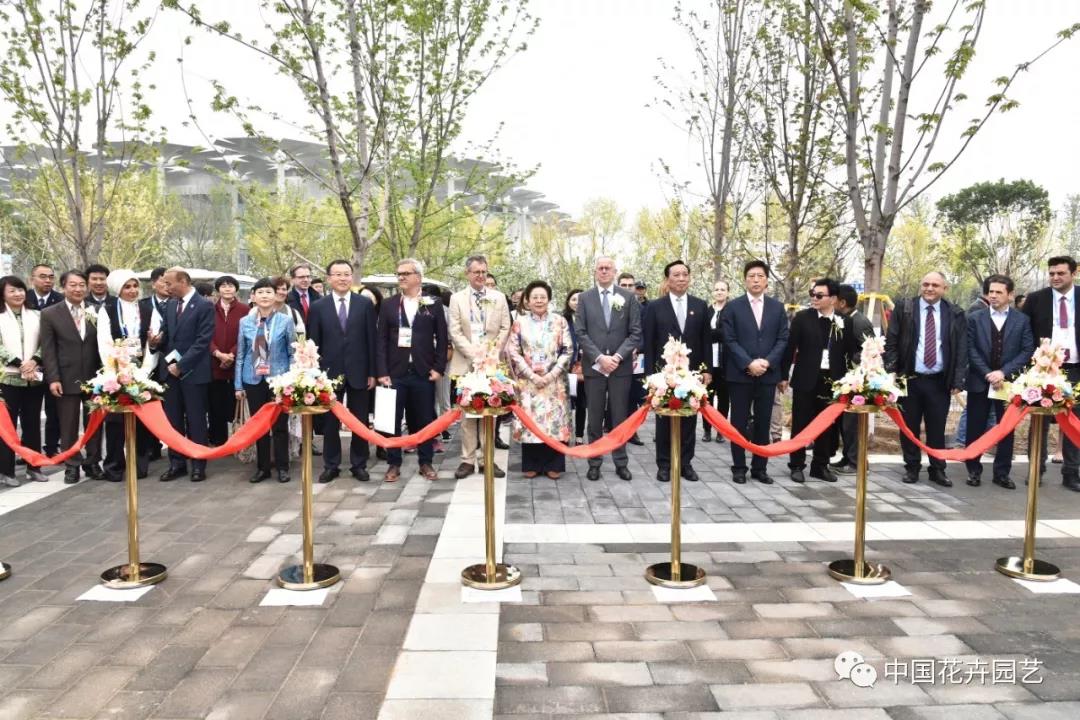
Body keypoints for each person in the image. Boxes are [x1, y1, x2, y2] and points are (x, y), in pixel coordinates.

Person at [884, 271, 967, 486]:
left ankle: (938, 469)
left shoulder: (955, 313)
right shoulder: (905, 308)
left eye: (935, 285)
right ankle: (912, 467)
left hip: (939, 381)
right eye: (925, 284)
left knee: (937, 429)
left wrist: (958, 380)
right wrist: (891, 371)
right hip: (909, 379)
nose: (929, 289)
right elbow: (891, 341)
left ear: (944, 289)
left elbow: (961, 350)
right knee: (909, 427)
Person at [376, 258, 448, 482]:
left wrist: (438, 368)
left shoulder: (432, 303)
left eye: (406, 273)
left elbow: (443, 337)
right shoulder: (389, 304)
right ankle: (393, 463)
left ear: (418, 277)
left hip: (423, 372)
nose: (402, 277)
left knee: (424, 419)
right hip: (394, 373)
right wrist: (381, 371)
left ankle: (425, 462)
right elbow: (381, 341)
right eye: (399, 274)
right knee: (391, 420)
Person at [643, 260, 713, 483]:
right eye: (676, 275)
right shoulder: (655, 307)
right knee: (664, 418)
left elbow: (706, 341)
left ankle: (685, 463)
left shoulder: (701, 305)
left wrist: (707, 370)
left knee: (690, 417)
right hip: (665, 373)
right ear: (667, 279)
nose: (681, 278)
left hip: (691, 373)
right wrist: (649, 376)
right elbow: (649, 342)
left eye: (685, 274)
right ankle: (664, 464)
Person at [721, 260, 789, 485]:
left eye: (760, 276)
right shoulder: (733, 307)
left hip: (768, 375)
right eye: (751, 276)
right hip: (740, 375)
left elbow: (782, 339)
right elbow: (729, 340)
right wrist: (748, 363)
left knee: (763, 422)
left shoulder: (777, 308)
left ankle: (760, 467)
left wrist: (767, 362)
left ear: (767, 280)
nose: (756, 280)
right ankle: (739, 467)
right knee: (738, 422)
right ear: (745, 280)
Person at [308, 260, 377, 483]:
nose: (343, 278)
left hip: (359, 371)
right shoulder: (318, 307)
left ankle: (359, 464)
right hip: (328, 374)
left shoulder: (364, 304)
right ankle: (331, 464)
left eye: (347, 274)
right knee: (330, 422)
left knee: (359, 419)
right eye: (337, 274)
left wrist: (372, 372)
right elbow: (312, 343)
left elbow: (371, 341)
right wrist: (314, 375)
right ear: (329, 278)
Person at [575, 255, 642, 482]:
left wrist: (617, 356)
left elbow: (635, 333)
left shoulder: (628, 297)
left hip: (619, 368)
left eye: (608, 268)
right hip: (594, 368)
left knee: (619, 417)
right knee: (594, 418)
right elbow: (581, 332)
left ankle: (621, 462)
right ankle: (594, 461)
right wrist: (599, 357)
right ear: (595, 271)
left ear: (615, 272)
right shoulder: (585, 298)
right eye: (600, 268)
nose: (604, 271)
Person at [965, 274, 1034, 489]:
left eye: (998, 292)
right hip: (979, 380)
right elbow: (970, 349)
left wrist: (1003, 372)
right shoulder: (975, 318)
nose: (993, 296)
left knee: (1006, 428)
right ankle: (973, 469)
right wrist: (988, 373)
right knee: (974, 427)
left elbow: (1026, 350)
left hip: (1008, 384)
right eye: (990, 292)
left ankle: (1002, 473)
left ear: (1010, 295)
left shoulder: (1022, 320)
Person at [780, 278, 852, 483]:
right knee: (801, 424)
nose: (814, 298)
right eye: (813, 294)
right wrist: (783, 375)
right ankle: (796, 465)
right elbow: (790, 348)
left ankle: (820, 465)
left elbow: (850, 351)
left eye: (820, 295)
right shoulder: (802, 318)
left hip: (833, 380)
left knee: (827, 426)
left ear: (834, 299)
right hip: (806, 379)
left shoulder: (844, 321)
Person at [448, 255, 511, 479]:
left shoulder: (498, 297)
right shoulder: (457, 299)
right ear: (468, 274)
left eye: (484, 272)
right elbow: (454, 331)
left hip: (492, 364)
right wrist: (474, 354)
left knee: (489, 413)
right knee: (468, 415)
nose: (481, 276)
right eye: (476, 272)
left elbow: (505, 327)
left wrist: (491, 352)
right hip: (466, 364)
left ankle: (487, 460)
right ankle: (467, 460)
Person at [1021, 255, 1080, 491]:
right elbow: (1025, 334)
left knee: (1074, 422)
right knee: (1039, 422)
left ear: (1073, 274)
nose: (1055, 277)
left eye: (1061, 273)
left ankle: (1071, 473)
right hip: (1043, 371)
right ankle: (1036, 470)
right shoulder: (1036, 299)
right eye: (1052, 273)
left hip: (1075, 371)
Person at [39, 270, 103, 484]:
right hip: (66, 377)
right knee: (68, 425)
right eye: (73, 285)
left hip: (95, 378)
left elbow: (103, 345)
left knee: (94, 423)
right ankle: (72, 465)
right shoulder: (50, 314)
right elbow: (48, 350)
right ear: (63, 287)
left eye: (81, 285)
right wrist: (53, 378)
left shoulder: (97, 311)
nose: (78, 289)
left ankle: (93, 462)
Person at [506, 280, 573, 479]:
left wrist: (552, 374)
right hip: (529, 382)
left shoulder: (560, 321)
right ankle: (532, 463)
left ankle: (554, 464)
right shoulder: (520, 323)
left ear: (549, 299)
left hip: (554, 381)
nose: (539, 300)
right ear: (527, 300)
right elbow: (513, 351)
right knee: (532, 421)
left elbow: (568, 350)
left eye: (542, 297)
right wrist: (531, 374)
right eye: (534, 297)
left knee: (554, 421)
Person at [155, 267, 215, 483]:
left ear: (182, 281)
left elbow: (202, 341)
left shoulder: (204, 306)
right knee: (173, 421)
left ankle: (198, 463)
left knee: (196, 420)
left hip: (194, 373)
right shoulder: (171, 305)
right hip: (170, 374)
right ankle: (176, 463)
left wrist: (181, 365)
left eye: (169, 284)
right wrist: (156, 341)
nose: (166, 288)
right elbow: (168, 336)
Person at [235, 278, 297, 483]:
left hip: (278, 381)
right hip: (253, 380)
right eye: (260, 292)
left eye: (268, 292)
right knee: (259, 426)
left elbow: (292, 352)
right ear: (253, 296)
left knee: (280, 425)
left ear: (276, 295)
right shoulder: (245, 322)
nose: (264, 296)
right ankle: (262, 468)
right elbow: (241, 354)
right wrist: (238, 384)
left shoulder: (285, 321)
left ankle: (282, 467)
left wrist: (292, 381)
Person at [95, 269, 152, 481]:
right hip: (117, 369)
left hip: (142, 369)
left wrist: (145, 370)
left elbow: (152, 342)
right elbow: (104, 342)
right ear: (118, 289)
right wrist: (115, 370)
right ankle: (114, 465)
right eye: (127, 287)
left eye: (135, 286)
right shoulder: (107, 310)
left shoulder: (147, 309)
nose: (132, 290)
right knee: (115, 422)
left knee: (142, 421)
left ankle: (139, 465)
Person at [0, 276, 47, 486]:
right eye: (12, 291)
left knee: (32, 425)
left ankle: (34, 467)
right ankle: (6, 472)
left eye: (20, 290)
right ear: (3, 294)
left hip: (33, 380)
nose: (18, 294)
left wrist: (34, 361)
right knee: (7, 428)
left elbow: (45, 342)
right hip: (8, 380)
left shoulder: (37, 315)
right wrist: (21, 364)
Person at [830, 284, 876, 475]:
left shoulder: (860, 322)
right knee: (844, 423)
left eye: (833, 298)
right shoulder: (844, 320)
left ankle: (857, 462)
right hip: (846, 380)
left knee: (852, 424)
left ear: (842, 302)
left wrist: (851, 358)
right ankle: (848, 457)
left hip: (857, 382)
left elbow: (871, 352)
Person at [139, 267, 171, 463]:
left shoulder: (177, 304)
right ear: (153, 283)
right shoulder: (143, 306)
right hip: (147, 364)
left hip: (169, 364)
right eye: (163, 281)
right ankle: (151, 446)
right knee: (148, 405)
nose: (167, 286)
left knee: (169, 408)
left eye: (169, 282)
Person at [208, 275, 243, 447]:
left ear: (236, 289)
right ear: (218, 289)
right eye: (223, 286)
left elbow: (246, 336)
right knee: (216, 404)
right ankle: (218, 440)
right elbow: (205, 335)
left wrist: (231, 354)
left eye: (231, 285)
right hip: (215, 363)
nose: (227, 289)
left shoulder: (245, 310)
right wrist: (218, 354)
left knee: (237, 404)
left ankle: (239, 441)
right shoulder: (210, 309)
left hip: (237, 363)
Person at [618, 273, 646, 445]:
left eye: (630, 285)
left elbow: (644, 331)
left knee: (634, 396)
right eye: (624, 285)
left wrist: (636, 348)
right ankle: (616, 430)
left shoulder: (642, 308)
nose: (627, 288)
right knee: (617, 397)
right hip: (615, 357)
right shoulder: (611, 305)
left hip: (636, 359)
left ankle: (631, 432)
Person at [703, 279, 730, 443]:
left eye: (722, 289)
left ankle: (721, 430)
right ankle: (707, 430)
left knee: (724, 398)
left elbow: (728, 334)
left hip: (726, 363)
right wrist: (716, 334)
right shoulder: (707, 311)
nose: (719, 292)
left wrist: (713, 334)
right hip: (709, 362)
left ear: (727, 292)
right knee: (707, 398)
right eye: (717, 289)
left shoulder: (732, 310)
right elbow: (703, 333)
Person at [562, 288, 588, 443]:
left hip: (584, 367)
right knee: (565, 401)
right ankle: (564, 434)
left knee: (581, 403)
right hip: (566, 366)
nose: (577, 302)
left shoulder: (591, 318)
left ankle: (579, 435)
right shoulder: (562, 319)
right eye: (573, 299)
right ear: (568, 301)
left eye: (580, 299)